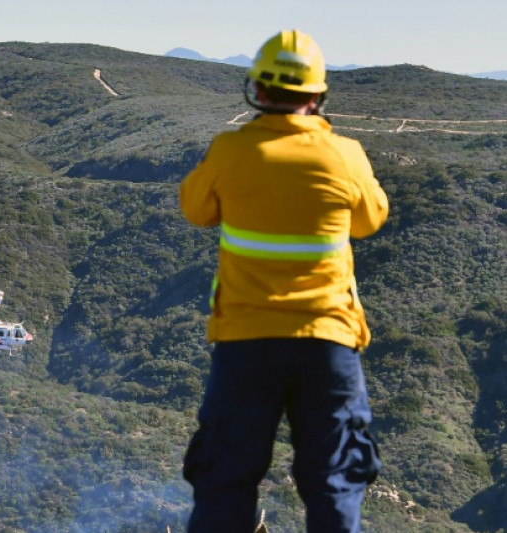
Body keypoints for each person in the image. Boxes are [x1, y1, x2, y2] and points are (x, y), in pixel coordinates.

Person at [178, 29, 389, 533]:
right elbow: (369, 220)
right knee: (335, 480)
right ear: (317, 96)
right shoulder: (346, 154)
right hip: (328, 344)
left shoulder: (232, 151)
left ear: (260, 91)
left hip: (246, 345)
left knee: (226, 480)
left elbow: (195, 209)